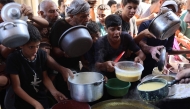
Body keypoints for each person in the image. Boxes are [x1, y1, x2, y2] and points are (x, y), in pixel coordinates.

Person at [5, 23, 67, 109]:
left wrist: (54, 91)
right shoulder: (13, 59)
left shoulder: (41, 54)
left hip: (41, 98)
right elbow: (17, 87)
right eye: (31, 47)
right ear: (21, 44)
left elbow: (44, 77)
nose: (35, 50)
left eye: (37, 46)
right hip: (24, 101)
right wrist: (35, 104)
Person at [138, 1, 190, 78]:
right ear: (160, 10)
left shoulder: (171, 30)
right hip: (143, 64)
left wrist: (164, 63)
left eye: (172, 11)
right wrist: (151, 49)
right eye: (166, 9)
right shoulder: (147, 25)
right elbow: (141, 44)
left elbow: (168, 50)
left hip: (158, 67)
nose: (168, 13)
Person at [50, 0, 90, 98]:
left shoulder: (83, 25)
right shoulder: (60, 25)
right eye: (83, 16)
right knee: (65, 96)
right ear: (72, 16)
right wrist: (65, 52)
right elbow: (54, 50)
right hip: (60, 69)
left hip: (75, 66)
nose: (87, 19)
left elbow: (82, 45)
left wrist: (83, 59)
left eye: (87, 15)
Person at [95, 14, 146, 79]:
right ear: (106, 29)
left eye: (119, 29)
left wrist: (139, 58)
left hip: (126, 74)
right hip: (108, 78)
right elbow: (96, 65)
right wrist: (104, 65)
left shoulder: (126, 37)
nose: (116, 32)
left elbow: (141, 54)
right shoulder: (100, 42)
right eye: (112, 29)